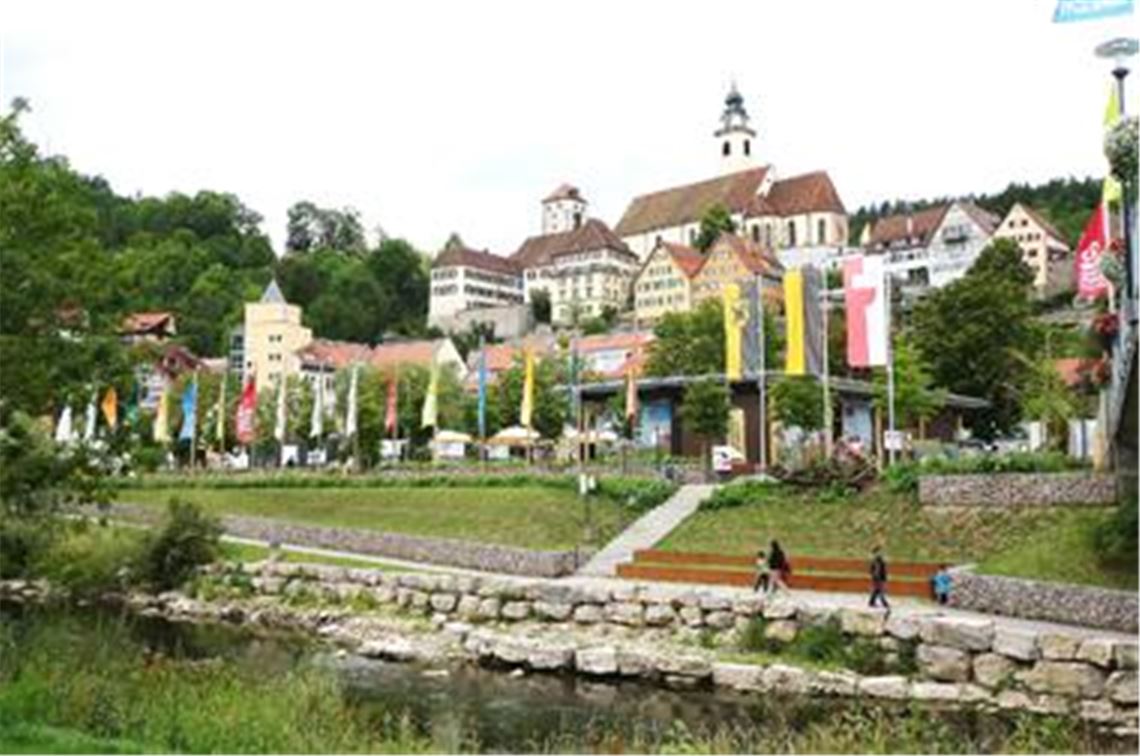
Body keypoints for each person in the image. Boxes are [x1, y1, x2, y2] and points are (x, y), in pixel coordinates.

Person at [869, 546, 890, 611]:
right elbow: (876, 570)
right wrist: (876, 576)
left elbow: (883, 568)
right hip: (879, 577)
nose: (881, 553)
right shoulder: (877, 560)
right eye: (879, 551)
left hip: (880, 577)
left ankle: (872, 602)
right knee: (881, 590)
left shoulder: (879, 560)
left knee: (877, 590)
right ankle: (884, 603)